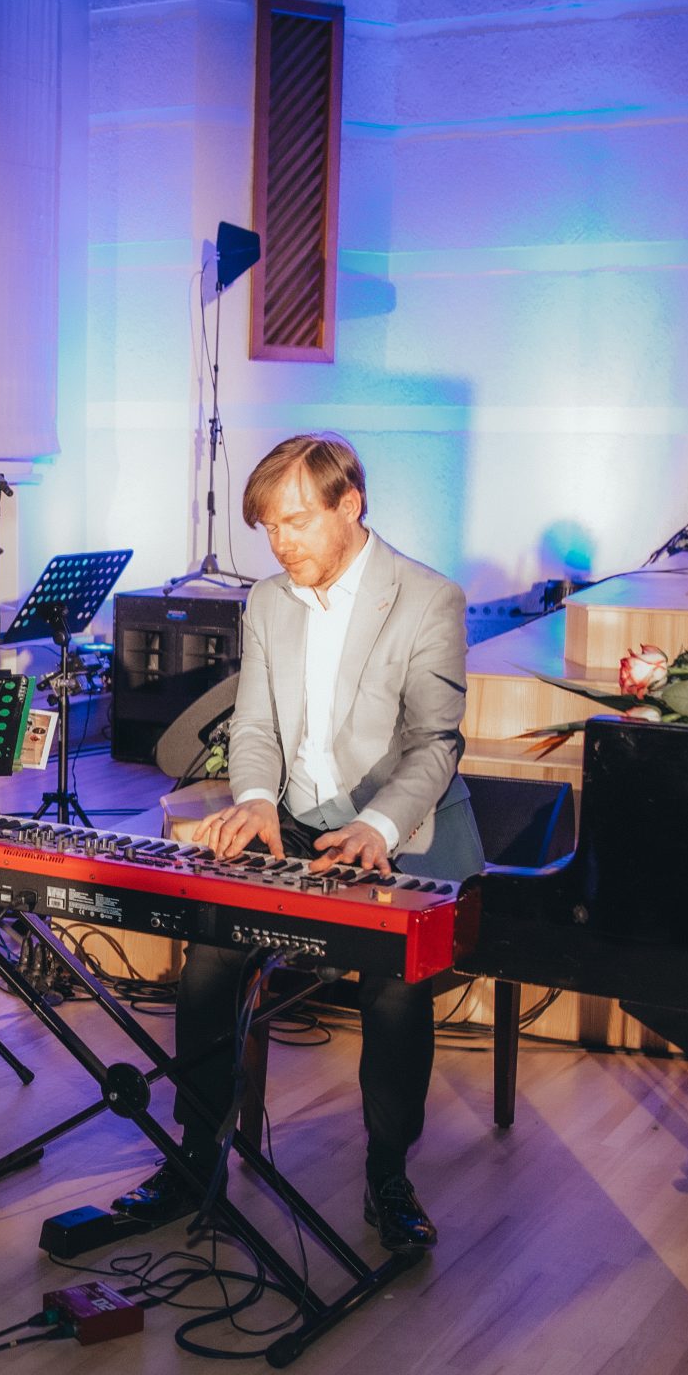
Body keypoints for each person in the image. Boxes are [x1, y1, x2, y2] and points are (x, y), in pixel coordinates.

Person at [112, 433, 483, 1254]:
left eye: (296, 522)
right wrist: (254, 800)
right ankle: (194, 1155)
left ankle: (388, 1174)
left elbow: (435, 744)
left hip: (400, 826)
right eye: (269, 528)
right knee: (209, 954)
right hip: (299, 822)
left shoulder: (428, 597)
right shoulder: (270, 601)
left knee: (393, 983)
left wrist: (375, 826)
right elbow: (254, 726)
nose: (280, 544)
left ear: (350, 504)